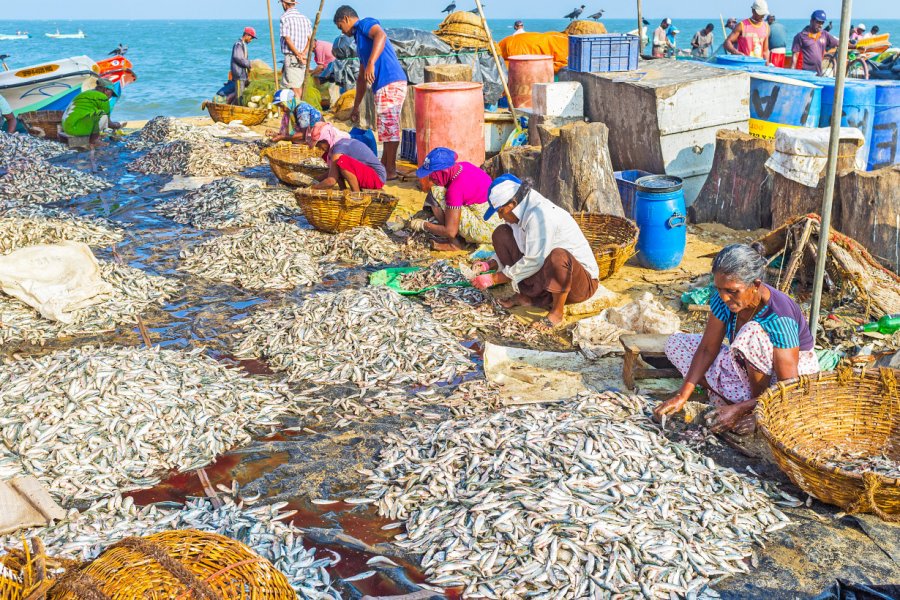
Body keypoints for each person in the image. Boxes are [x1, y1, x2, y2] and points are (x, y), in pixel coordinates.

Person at [654, 244, 820, 435]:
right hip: (746, 369)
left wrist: (742, 410)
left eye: (733, 291)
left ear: (755, 285)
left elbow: (789, 386)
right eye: (719, 289)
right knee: (676, 344)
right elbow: (708, 348)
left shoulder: (779, 315)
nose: (725, 297)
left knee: (752, 332)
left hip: (789, 381)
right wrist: (682, 395)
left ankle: (757, 409)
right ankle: (743, 402)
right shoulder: (722, 299)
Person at [468, 175, 600, 329]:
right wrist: (490, 264)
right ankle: (529, 297)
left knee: (558, 256)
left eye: (501, 211)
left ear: (512, 204)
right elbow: (519, 245)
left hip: (579, 284)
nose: (500, 216)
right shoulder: (518, 213)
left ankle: (557, 312)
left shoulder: (540, 214)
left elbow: (534, 260)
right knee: (501, 233)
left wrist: (495, 278)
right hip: (546, 273)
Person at [334, 5, 407, 181]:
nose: (342, 32)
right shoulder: (360, 41)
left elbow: (381, 35)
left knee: (390, 128)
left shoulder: (364, 24)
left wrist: (372, 62)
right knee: (385, 127)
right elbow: (361, 79)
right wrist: (356, 106)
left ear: (346, 19)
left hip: (390, 80)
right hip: (382, 86)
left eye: (340, 27)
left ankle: (390, 169)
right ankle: (384, 165)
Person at [407, 147, 503, 250]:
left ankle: (454, 244)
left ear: (444, 171)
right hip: (498, 223)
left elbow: (450, 231)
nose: (430, 178)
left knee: (436, 192)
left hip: (486, 231)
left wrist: (423, 225)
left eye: (431, 174)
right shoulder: (465, 166)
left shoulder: (455, 189)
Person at [308, 121, 386, 191]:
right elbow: (333, 171)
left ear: (326, 140)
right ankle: (343, 190)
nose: (319, 148)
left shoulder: (339, 148)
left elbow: (331, 181)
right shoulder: (338, 144)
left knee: (342, 161)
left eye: (319, 145)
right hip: (368, 174)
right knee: (335, 163)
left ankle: (356, 194)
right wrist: (315, 179)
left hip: (377, 179)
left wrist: (312, 188)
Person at [61, 79, 123, 149]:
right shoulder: (102, 97)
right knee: (100, 114)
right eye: (111, 93)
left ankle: (90, 138)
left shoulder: (87, 93)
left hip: (66, 126)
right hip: (74, 128)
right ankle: (94, 141)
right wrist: (116, 125)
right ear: (106, 90)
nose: (110, 97)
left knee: (92, 114)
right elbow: (107, 122)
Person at [279, 0, 313, 101]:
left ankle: (298, 111)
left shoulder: (285, 18)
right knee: (292, 85)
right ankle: (291, 113)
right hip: (302, 57)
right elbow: (310, 39)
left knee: (295, 88)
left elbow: (287, 38)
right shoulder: (305, 19)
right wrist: (303, 53)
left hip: (292, 56)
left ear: (284, 4)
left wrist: (298, 54)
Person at [791, 10, 840, 75]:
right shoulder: (800, 36)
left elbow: (839, 43)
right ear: (811, 21)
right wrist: (792, 73)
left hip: (817, 73)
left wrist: (855, 45)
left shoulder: (824, 34)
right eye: (818, 22)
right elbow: (795, 57)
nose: (820, 25)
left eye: (822, 23)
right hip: (803, 74)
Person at [230, 26, 256, 105]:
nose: (251, 40)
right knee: (239, 95)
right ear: (247, 35)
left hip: (242, 74)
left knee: (241, 95)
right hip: (239, 74)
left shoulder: (243, 44)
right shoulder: (239, 44)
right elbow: (237, 57)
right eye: (251, 38)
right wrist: (249, 64)